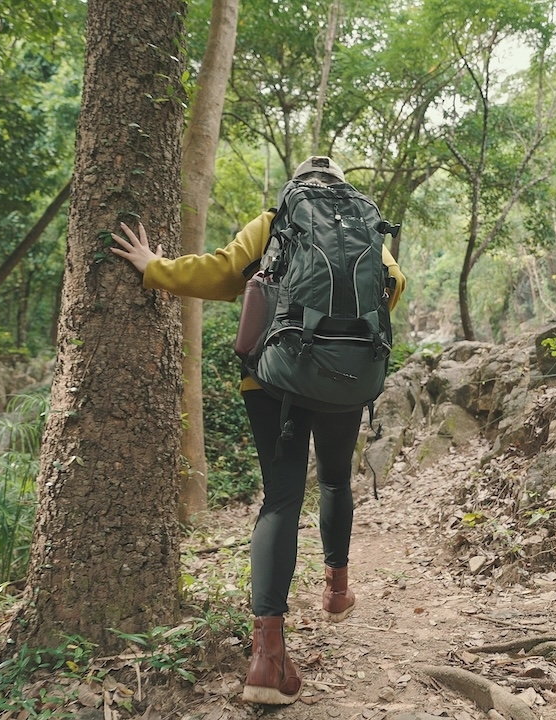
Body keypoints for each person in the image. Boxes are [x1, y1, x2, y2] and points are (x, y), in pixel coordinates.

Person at [111, 156, 406, 706]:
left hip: (275, 385)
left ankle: (266, 657)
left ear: (294, 186)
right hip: (346, 377)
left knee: (281, 499)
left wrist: (155, 266)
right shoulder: (363, 225)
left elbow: (223, 271)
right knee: (336, 480)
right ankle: (338, 591)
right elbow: (393, 284)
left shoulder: (274, 223)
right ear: (341, 190)